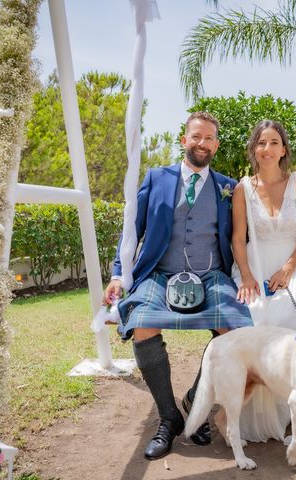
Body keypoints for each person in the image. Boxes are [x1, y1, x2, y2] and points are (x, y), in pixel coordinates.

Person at [103, 112, 252, 460]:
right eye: (196, 136)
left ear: (216, 144)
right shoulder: (156, 178)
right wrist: (117, 273)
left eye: (209, 138)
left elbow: (242, 235)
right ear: (184, 140)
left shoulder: (228, 187)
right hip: (160, 272)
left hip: (211, 273)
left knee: (232, 331)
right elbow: (131, 231)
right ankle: (169, 417)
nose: (202, 143)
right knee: (141, 325)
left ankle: (196, 404)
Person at [230, 119, 296, 443]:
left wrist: (287, 269)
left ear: (283, 149)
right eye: (260, 143)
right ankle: (249, 415)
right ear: (254, 150)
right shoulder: (243, 188)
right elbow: (238, 239)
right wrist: (246, 275)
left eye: (273, 142)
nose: (266, 148)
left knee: (285, 319)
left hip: (293, 264)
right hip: (254, 266)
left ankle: (294, 411)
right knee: (254, 319)